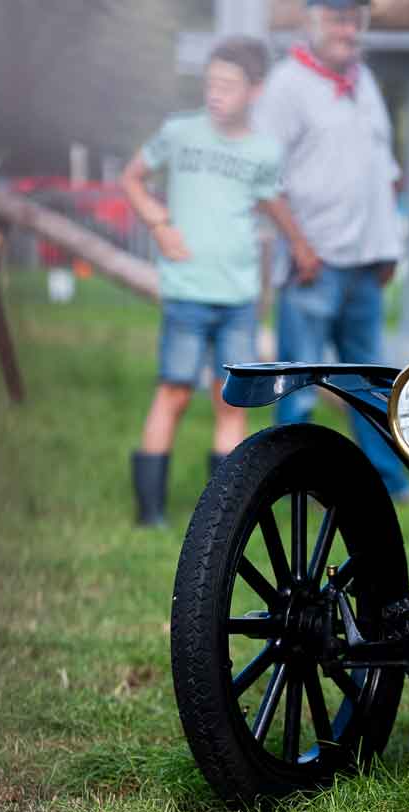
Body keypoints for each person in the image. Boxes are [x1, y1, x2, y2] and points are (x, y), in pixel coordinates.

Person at [121, 36, 320, 527]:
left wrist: (299, 243)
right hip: (188, 292)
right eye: (210, 83)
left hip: (238, 299)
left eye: (228, 86)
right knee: (174, 393)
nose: (215, 93)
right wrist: (158, 222)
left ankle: (219, 521)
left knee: (230, 402)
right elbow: (132, 178)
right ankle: (150, 515)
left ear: (254, 91)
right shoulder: (180, 133)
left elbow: (272, 202)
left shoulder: (263, 152)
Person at [253, 0, 409, 501]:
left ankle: (389, 485)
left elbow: (384, 171)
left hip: (366, 266)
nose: (348, 29)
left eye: (355, 19)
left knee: (369, 387)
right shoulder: (287, 85)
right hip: (314, 265)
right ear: (312, 22)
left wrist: (388, 247)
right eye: (338, 18)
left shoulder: (363, 81)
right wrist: (299, 245)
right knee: (298, 384)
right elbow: (262, 176)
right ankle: (286, 487)